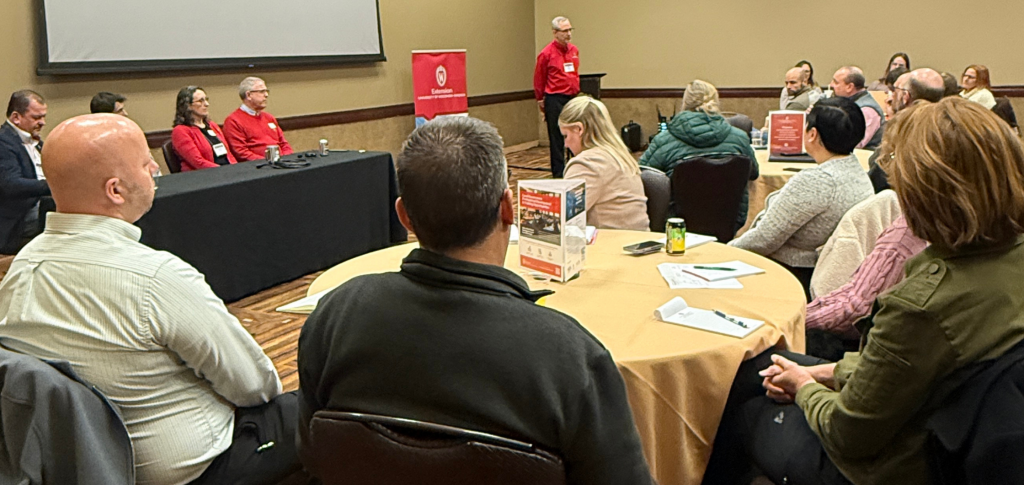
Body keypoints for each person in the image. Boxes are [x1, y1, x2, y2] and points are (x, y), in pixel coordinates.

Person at [297, 116, 654, 485]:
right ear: (508, 208)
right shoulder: (571, 355)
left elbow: (312, 452)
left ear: (404, 217)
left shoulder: (334, 317)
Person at [706, 97, 1024, 485]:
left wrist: (806, 387)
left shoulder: (922, 306)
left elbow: (848, 434)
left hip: (890, 464)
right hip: (949, 427)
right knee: (754, 368)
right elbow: (912, 368)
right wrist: (829, 372)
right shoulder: (1008, 259)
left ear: (925, 191)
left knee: (730, 404)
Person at [0, 114, 301, 485]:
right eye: (146, 164)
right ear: (116, 190)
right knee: (312, 411)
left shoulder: (20, 270)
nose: (155, 168)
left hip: (82, 466)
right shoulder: (155, 278)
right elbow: (256, 384)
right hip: (195, 469)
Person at [729, 97, 873, 297]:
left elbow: (763, 240)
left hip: (790, 275)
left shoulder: (818, 182)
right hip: (825, 273)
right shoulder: (859, 171)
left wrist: (724, 253)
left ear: (812, 134)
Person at [639, 80, 758, 231]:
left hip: (676, 225)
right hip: (730, 223)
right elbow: (754, 173)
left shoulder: (664, 141)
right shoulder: (740, 138)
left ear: (685, 103)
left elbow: (642, 176)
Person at [558, 96, 649, 230]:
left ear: (579, 129)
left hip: (609, 245)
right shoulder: (620, 155)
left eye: (566, 135)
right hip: (638, 241)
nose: (565, 144)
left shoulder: (586, 163)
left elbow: (560, 218)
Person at [868, 68, 945, 192]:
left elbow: (877, 175)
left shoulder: (904, 134)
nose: (890, 97)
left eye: (894, 91)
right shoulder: (944, 129)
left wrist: (893, 122)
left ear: (905, 97)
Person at [0, 90, 51, 254]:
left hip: (41, 206)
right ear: (16, 117)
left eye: (43, 117)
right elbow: (11, 184)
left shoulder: (36, 142)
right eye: (36, 117)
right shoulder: (4, 142)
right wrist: (53, 186)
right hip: (18, 217)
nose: (42, 122)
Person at [534, 16, 580, 178]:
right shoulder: (546, 54)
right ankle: (559, 173)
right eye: (565, 31)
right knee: (556, 137)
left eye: (570, 30)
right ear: (555, 33)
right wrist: (541, 101)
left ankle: (577, 168)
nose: (568, 34)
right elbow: (539, 79)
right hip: (555, 98)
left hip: (572, 98)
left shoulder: (574, 50)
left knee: (576, 134)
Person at [222, 77, 294, 161]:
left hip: (281, 163)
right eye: (262, 91)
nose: (266, 95)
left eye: (266, 91)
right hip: (258, 167)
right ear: (248, 95)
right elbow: (241, 153)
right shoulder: (233, 121)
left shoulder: (269, 117)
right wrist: (269, 162)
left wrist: (287, 158)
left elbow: (284, 144)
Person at [170, 86, 237, 171]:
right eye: (200, 101)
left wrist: (236, 169)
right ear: (188, 106)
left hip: (226, 171)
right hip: (204, 175)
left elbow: (228, 154)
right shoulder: (180, 131)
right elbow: (198, 162)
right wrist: (224, 171)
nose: (206, 104)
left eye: (206, 99)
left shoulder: (212, 125)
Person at [829, 66, 884, 149]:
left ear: (849, 87)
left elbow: (856, 144)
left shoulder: (867, 110)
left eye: (836, 82)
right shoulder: (845, 102)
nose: (831, 85)